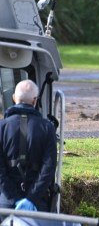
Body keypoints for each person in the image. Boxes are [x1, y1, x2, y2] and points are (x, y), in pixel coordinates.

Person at [0, 80, 57, 211]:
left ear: (14, 98)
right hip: (37, 204)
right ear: (34, 101)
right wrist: (32, 199)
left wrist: (13, 198)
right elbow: (49, 167)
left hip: (6, 204)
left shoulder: (1, 128)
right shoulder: (47, 128)